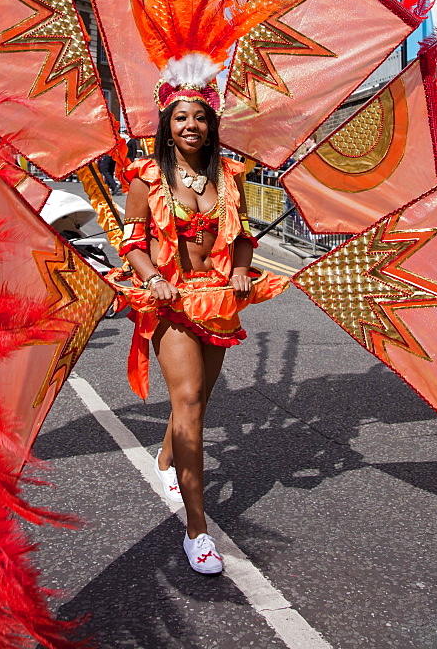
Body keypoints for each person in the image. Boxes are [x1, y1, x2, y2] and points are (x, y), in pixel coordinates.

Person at [113, 91, 288, 574]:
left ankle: (167, 458)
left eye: (200, 118)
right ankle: (197, 531)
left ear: (211, 126)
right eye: (181, 118)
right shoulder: (146, 178)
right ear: (167, 126)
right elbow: (131, 242)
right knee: (188, 400)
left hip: (218, 300)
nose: (191, 125)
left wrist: (242, 271)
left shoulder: (230, 177)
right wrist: (153, 278)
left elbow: (244, 239)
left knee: (199, 400)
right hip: (171, 301)